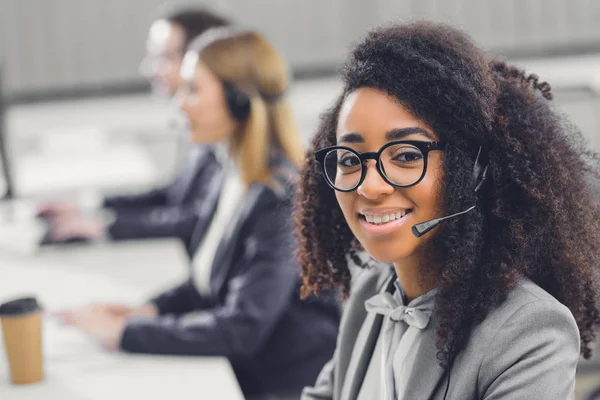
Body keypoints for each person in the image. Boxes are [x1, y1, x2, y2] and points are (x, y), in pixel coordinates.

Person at [296, 22, 600, 400]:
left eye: (406, 155)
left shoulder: (528, 329)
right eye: (349, 158)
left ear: (473, 170)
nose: (369, 186)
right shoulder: (371, 291)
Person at [56, 27, 340, 399]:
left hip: (281, 388)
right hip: (239, 375)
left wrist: (123, 333)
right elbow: (205, 283)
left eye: (193, 89)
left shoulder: (281, 197)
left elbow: (242, 326)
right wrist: (143, 311)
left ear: (240, 99)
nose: (179, 103)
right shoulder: (232, 174)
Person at [37, 6, 229, 255]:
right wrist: (90, 208)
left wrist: (104, 226)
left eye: (163, 57)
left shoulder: (223, 132)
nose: (149, 69)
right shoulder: (198, 127)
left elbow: (197, 218)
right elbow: (173, 194)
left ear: (200, 60)